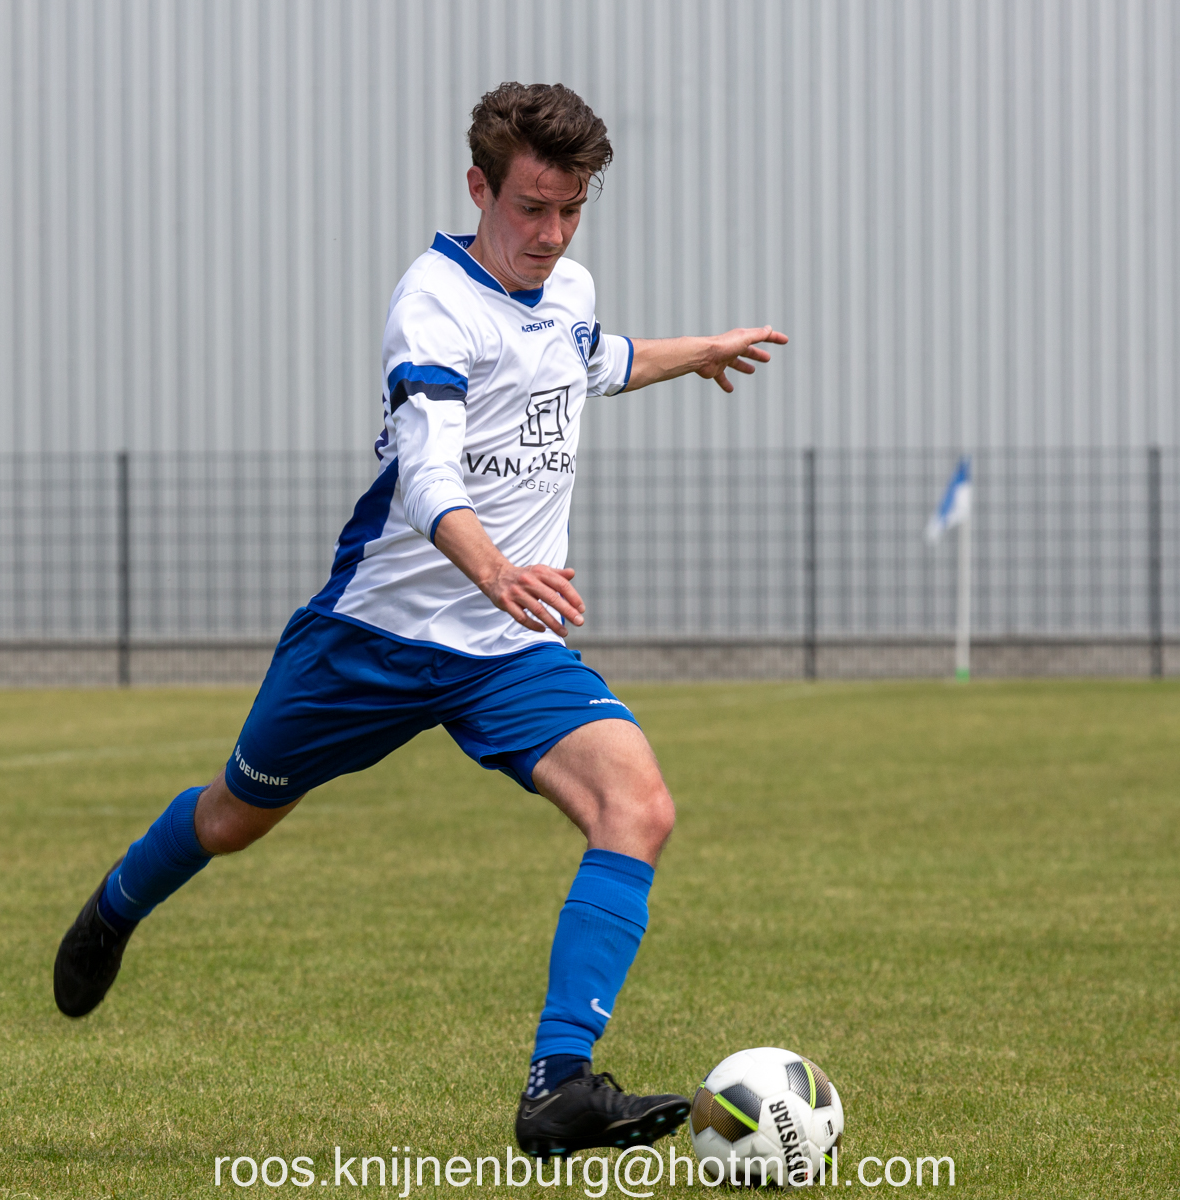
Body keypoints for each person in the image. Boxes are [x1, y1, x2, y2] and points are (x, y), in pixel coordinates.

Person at [53, 81, 787, 1159]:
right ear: (477, 189)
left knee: (637, 806)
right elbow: (426, 470)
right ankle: (117, 905)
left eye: (571, 210)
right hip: (374, 638)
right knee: (235, 817)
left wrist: (700, 349)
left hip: (506, 646)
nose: (551, 234)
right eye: (531, 208)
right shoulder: (432, 305)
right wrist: (492, 568)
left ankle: (557, 1088)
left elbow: (589, 362)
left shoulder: (565, 286)